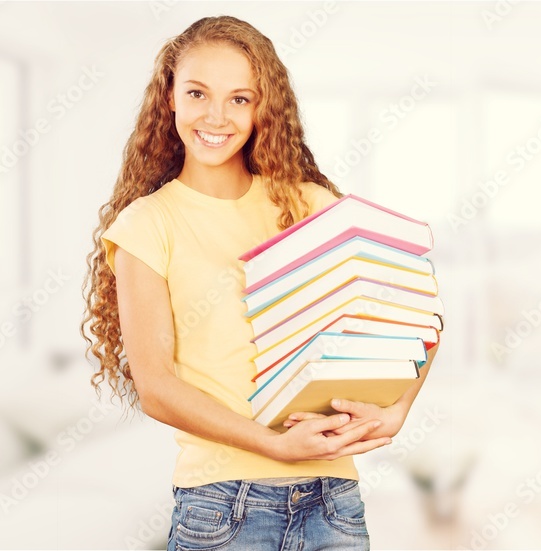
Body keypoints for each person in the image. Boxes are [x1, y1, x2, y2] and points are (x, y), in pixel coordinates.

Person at [80, 15, 440, 550]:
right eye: (198, 93)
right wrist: (274, 447)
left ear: (261, 108)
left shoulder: (308, 205)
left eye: (240, 99)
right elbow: (156, 389)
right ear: (170, 98)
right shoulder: (146, 224)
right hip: (223, 505)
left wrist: (397, 409)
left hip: (332, 500)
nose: (216, 116)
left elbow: (418, 315)